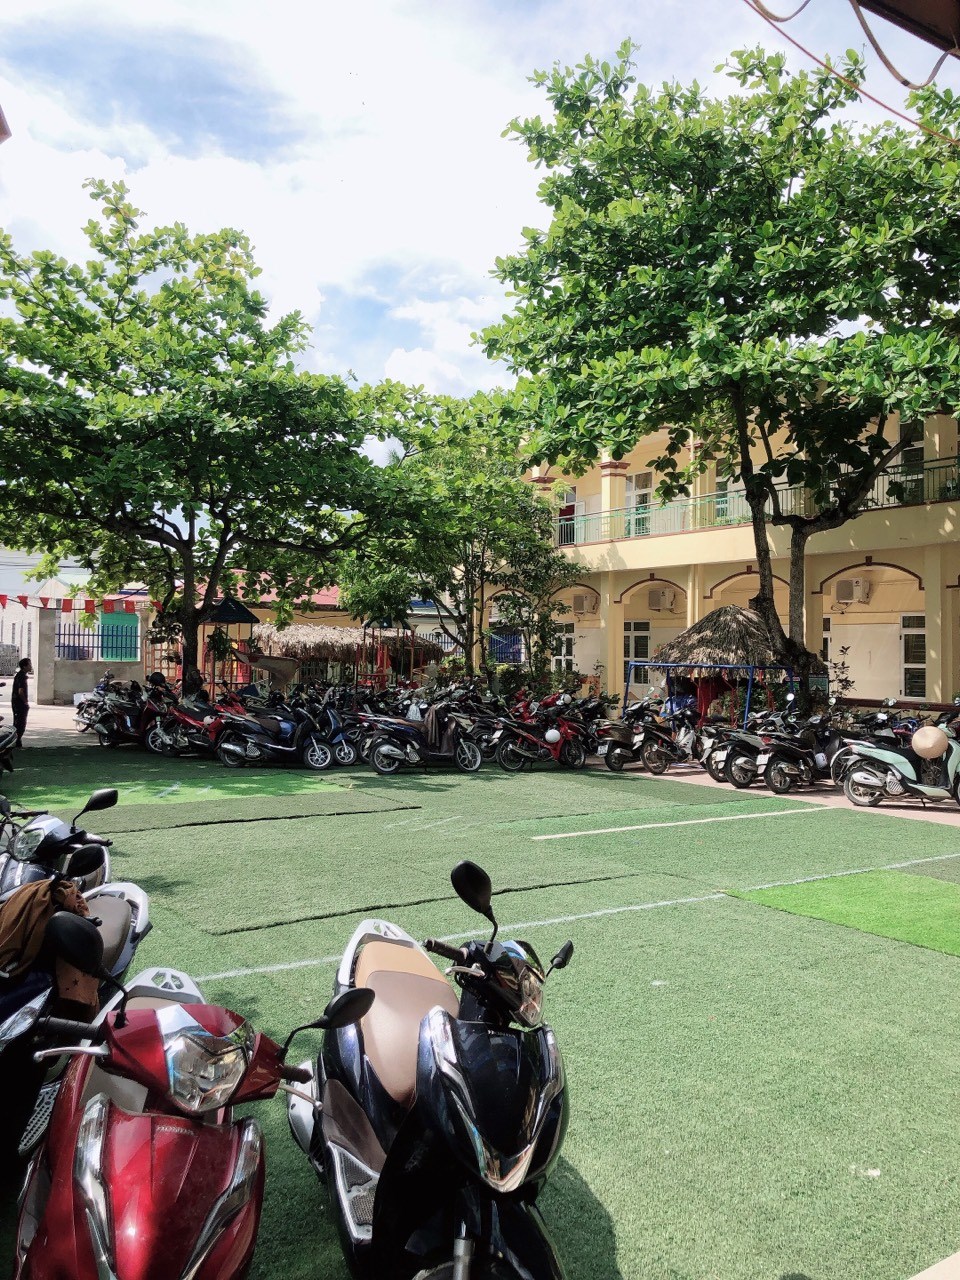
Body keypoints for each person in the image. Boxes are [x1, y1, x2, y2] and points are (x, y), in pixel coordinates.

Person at [11, 657, 32, 748]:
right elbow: (20, 691)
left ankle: (17, 740)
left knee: (19, 722)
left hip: (17, 702)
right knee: (20, 723)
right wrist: (25, 702)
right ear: (24, 666)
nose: (31, 666)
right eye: (29, 665)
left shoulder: (21, 675)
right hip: (19, 703)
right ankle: (16, 740)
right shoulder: (21, 676)